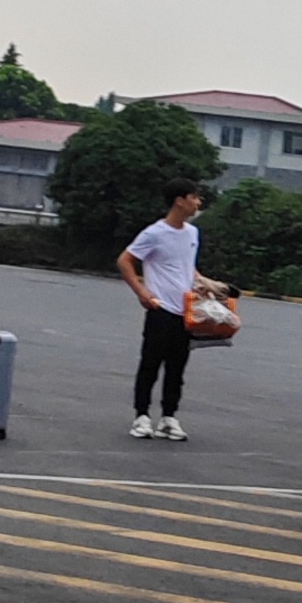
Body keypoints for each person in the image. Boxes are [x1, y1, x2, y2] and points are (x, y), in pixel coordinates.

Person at [118, 179, 207, 439]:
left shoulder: (192, 233)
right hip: (161, 309)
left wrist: (203, 283)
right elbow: (125, 260)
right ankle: (141, 416)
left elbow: (187, 267)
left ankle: (169, 417)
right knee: (150, 364)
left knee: (177, 368)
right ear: (180, 201)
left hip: (185, 311)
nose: (198, 202)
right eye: (194, 197)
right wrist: (142, 292)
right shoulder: (154, 233)